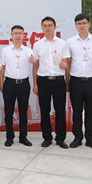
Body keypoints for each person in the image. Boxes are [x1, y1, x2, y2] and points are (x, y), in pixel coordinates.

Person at [65, 13, 92, 150]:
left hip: (91, 81)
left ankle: (90, 138)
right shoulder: (70, 42)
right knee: (77, 112)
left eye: (84, 23)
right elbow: (68, 62)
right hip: (76, 81)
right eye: (78, 23)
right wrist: (67, 81)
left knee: (90, 112)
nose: (81, 25)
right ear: (75, 26)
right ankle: (77, 137)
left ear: (89, 24)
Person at [32, 16, 70, 148]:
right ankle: (47, 138)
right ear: (42, 28)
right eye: (45, 26)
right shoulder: (37, 45)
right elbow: (35, 66)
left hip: (59, 81)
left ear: (55, 27)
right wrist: (35, 84)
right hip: (43, 81)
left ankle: (60, 138)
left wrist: (65, 68)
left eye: (50, 25)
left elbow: (66, 63)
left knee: (60, 111)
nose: (47, 28)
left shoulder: (62, 43)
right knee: (44, 111)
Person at [0, 25, 35, 147]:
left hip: (24, 84)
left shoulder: (28, 50)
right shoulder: (5, 51)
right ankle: (9, 137)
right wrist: (1, 84)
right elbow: (2, 68)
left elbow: (33, 60)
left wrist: (33, 60)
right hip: (9, 84)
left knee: (23, 111)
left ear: (24, 35)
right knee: (8, 112)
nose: (18, 36)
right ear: (11, 35)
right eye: (15, 33)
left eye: (20, 33)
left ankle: (23, 136)